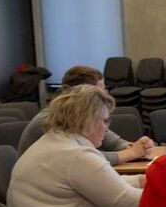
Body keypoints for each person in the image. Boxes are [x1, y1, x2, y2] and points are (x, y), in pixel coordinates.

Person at [7, 84, 143, 207]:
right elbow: (128, 202)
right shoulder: (76, 155)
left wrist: (142, 180)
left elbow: (103, 183)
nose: (107, 129)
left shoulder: (54, 142)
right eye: (105, 121)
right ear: (86, 119)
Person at [18, 65, 154, 164]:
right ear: (81, 95)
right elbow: (82, 157)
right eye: (99, 93)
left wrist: (139, 147)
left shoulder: (83, 116)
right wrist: (131, 153)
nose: (104, 97)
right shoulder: (51, 119)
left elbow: (111, 142)